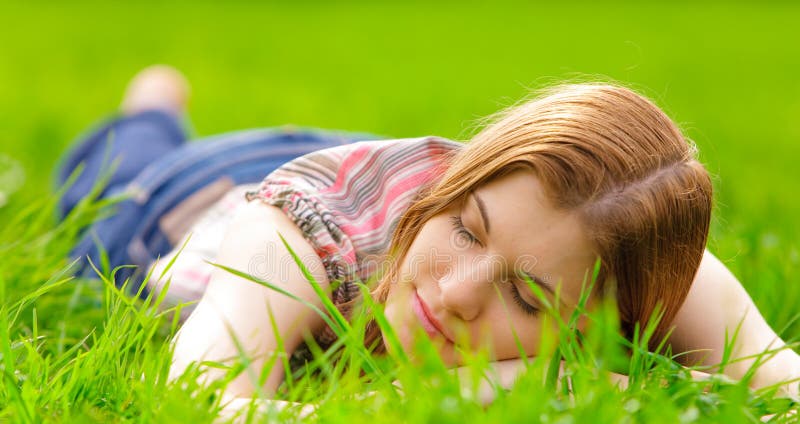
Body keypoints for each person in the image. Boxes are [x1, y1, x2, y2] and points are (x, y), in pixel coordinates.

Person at [56, 66, 800, 402]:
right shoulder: (294, 232)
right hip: (181, 202)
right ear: (455, 186)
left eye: (529, 297)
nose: (452, 294)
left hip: (380, 178)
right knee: (127, 156)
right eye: (469, 233)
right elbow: (198, 399)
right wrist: (498, 385)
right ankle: (152, 101)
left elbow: (782, 391)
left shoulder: (623, 247)